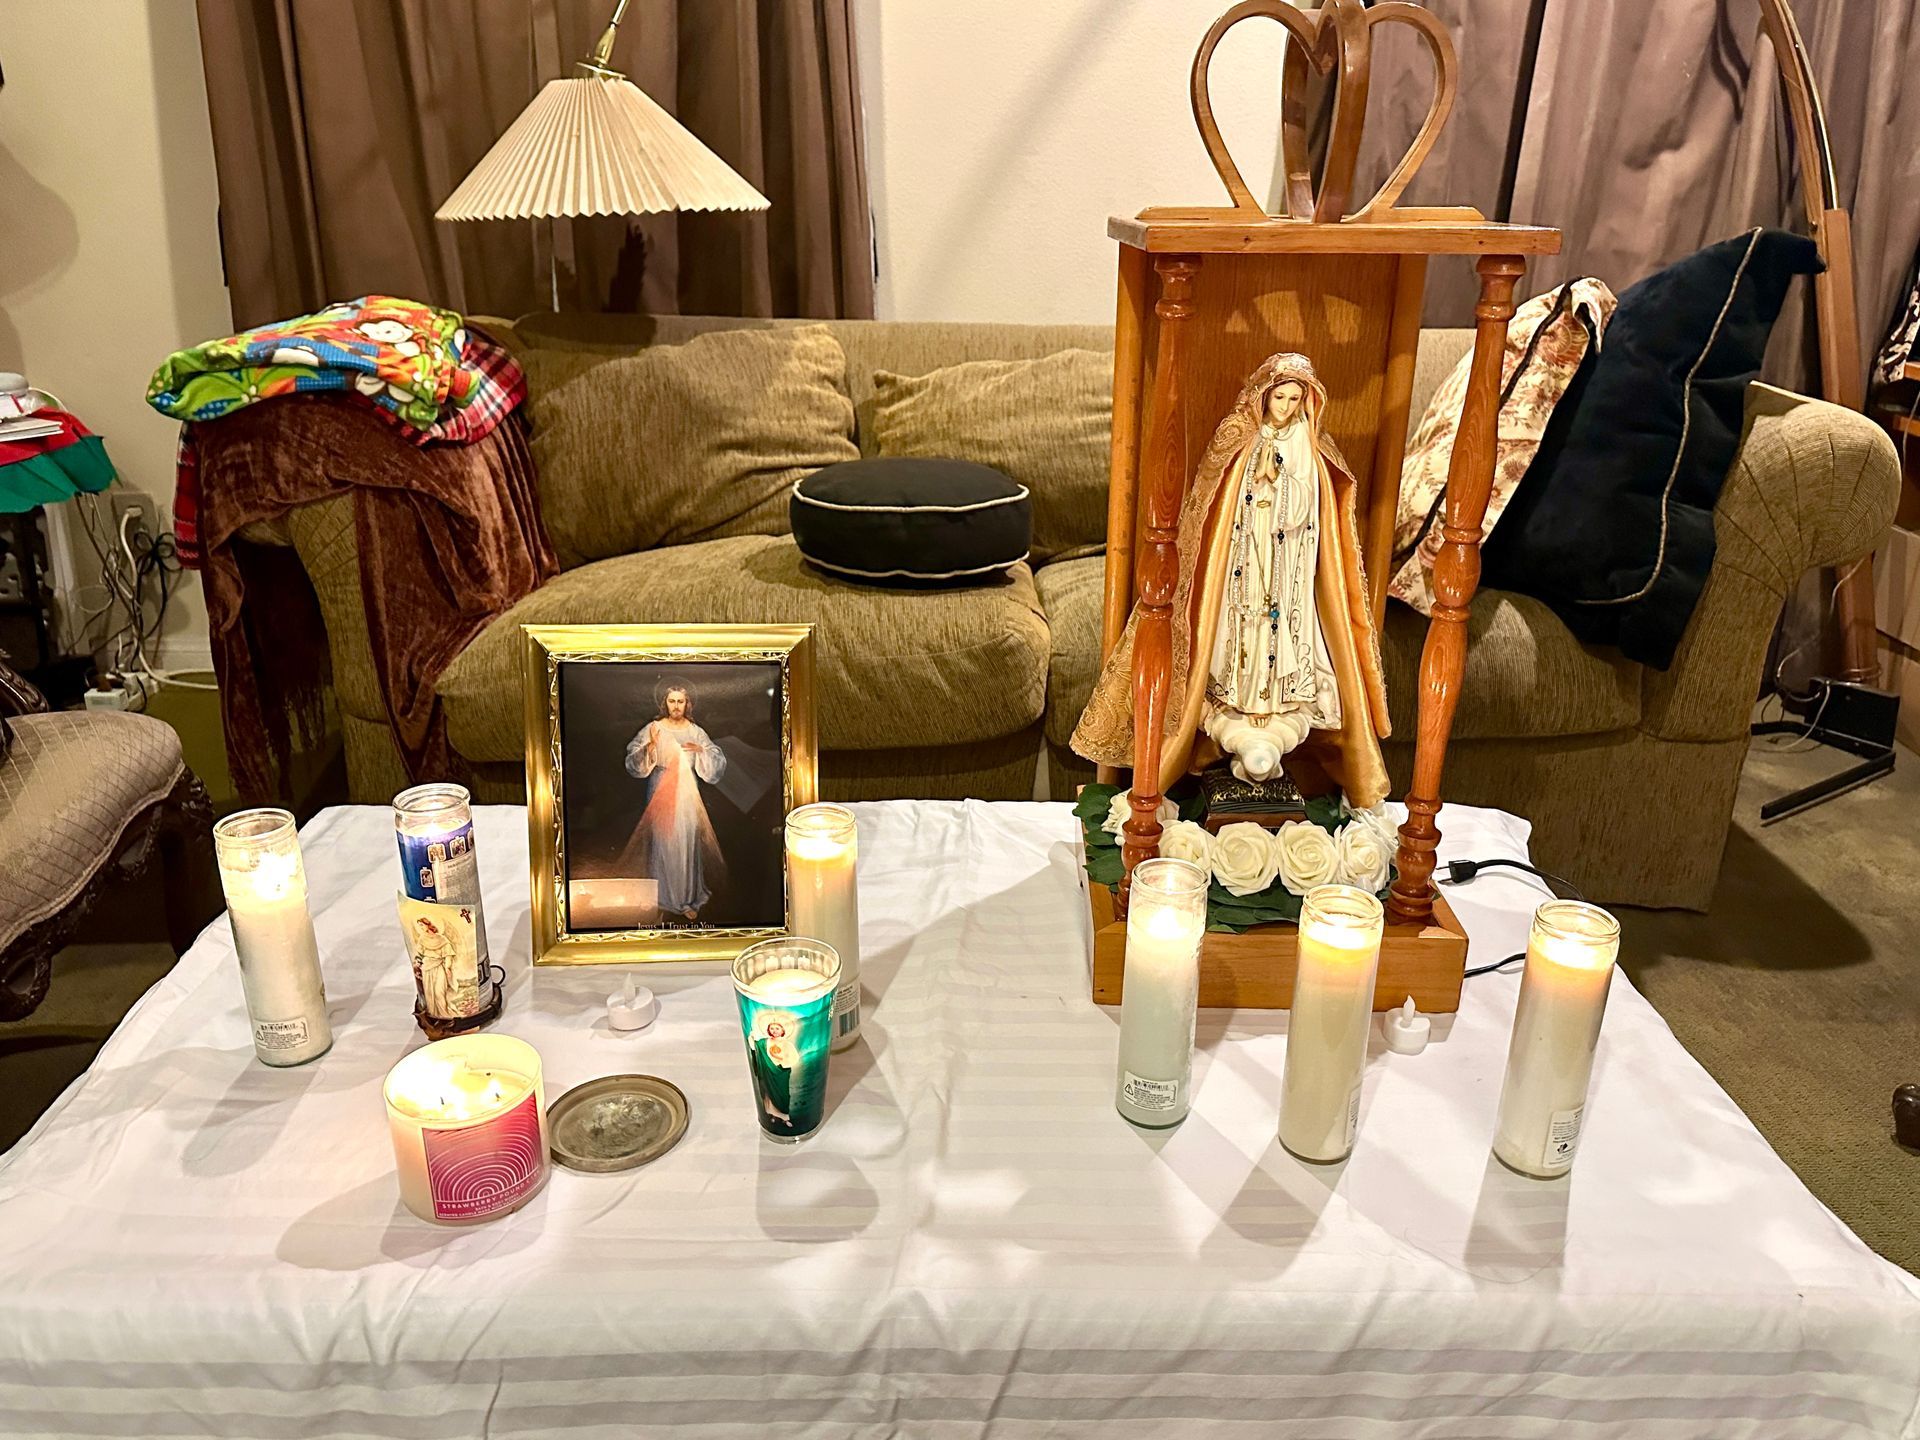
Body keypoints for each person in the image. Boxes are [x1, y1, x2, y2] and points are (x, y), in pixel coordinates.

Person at [1071, 351, 1391, 808]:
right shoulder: (1239, 436)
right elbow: (1215, 503)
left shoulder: (1309, 443)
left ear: (1307, 401)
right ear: (1263, 396)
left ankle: (1274, 709)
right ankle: (1234, 705)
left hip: (1288, 562)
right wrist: (1255, 484)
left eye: (1294, 398)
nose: (1284, 406)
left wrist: (1280, 478)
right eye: (1278, 396)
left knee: (1278, 634)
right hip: (1244, 555)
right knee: (1240, 633)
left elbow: (1311, 507)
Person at [621, 682, 728, 921]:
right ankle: (664, 897)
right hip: (661, 787)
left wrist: (700, 750)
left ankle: (686, 898)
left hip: (687, 790)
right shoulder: (654, 727)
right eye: (672, 701)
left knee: (687, 841)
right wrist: (650, 746)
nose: (676, 706)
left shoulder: (695, 730)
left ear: (687, 704)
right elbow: (633, 757)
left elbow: (715, 758)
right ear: (665, 703)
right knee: (663, 840)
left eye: (681, 701)